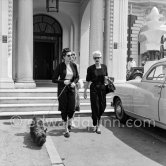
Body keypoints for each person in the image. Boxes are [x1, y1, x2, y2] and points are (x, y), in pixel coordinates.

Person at [52, 48, 79, 138]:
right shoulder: (60, 66)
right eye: (68, 55)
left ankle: (70, 122)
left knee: (71, 108)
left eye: (71, 55)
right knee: (64, 108)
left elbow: (77, 77)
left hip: (71, 89)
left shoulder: (74, 65)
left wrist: (74, 83)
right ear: (64, 57)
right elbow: (54, 79)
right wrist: (63, 82)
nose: (70, 57)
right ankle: (66, 129)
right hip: (63, 89)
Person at [84, 50, 108, 134]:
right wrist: (85, 91)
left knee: (103, 106)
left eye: (98, 57)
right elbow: (87, 81)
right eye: (95, 58)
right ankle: (98, 126)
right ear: (93, 59)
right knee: (95, 106)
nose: (97, 59)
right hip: (94, 88)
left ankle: (95, 117)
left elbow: (106, 78)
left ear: (100, 58)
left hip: (102, 88)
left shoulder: (104, 67)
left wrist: (108, 81)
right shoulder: (90, 68)